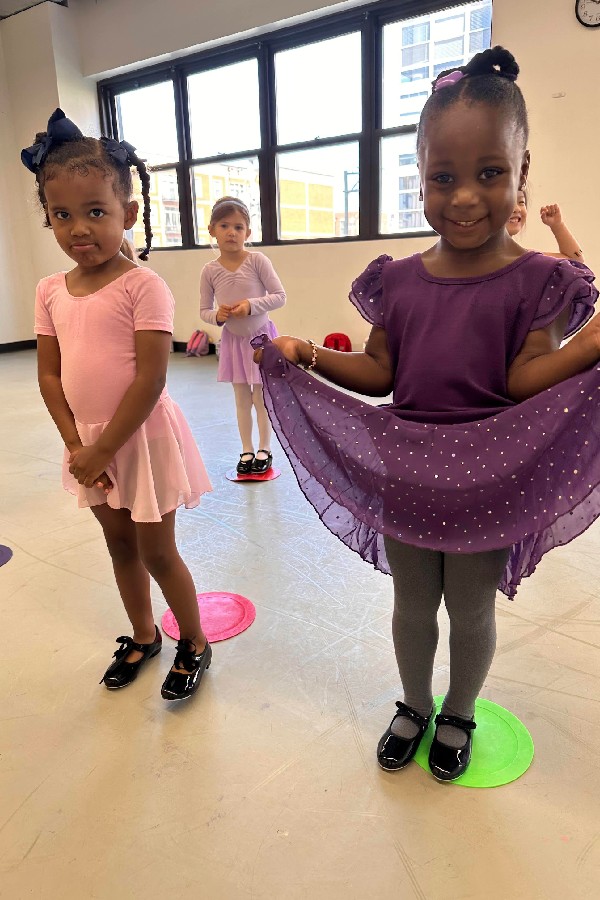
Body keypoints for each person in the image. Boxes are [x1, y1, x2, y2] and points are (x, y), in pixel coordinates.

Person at [253, 47, 600, 781]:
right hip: (405, 472)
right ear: (420, 179)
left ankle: (460, 711)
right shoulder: (399, 282)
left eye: (489, 173)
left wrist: (587, 348)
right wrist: (307, 353)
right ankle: (413, 704)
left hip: (486, 477)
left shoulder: (539, 280)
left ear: (522, 172)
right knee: (414, 604)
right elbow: (380, 373)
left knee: (471, 609)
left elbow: (523, 378)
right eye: (443, 177)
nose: (465, 197)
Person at [23, 109, 213, 702]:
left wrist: (103, 445)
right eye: (62, 215)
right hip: (87, 444)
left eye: (96, 212)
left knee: (157, 549)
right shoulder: (50, 290)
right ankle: (142, 633)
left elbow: (152, 378)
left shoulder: (143, 286)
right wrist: (78, 446)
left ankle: (196, 643)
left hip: (140, 439)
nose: (79, 228)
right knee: (118, 544)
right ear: (49, 219)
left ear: (127, 214)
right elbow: (50, 376)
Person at [200, 197, 286, 475]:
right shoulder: (210, 270)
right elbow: (204, 310)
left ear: (247, 233)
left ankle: (265, 448)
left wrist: (251, 305)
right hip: (233, 343)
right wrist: (218, 316)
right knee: (241, 399)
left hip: (260, 340)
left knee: (261, 398)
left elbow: (279, 297)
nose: (231, 232)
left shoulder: (258, 260)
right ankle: (247, 449)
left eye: (238, 227)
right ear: (212, 229)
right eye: (224, 225)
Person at [507, 189, 584, 260]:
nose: (517, 209)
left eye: (521, 202)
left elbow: (576, 260)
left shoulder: (526, 258)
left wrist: (557, 225)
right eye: (507, 202)